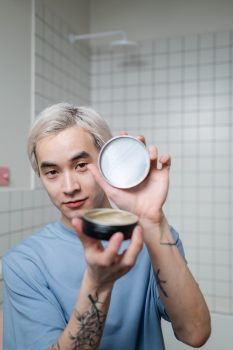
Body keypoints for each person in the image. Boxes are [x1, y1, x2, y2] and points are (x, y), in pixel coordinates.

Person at [3, 103, 211, 350]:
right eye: (52, 172)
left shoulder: (153, 236)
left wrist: (153, 220)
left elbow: (195, 333)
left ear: (105, 162)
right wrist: (98, 284)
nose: (69, 187)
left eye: (81, 165)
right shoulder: (24, 263)